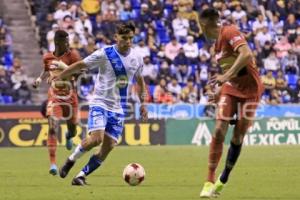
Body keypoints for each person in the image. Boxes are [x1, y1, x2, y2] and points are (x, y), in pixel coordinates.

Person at [52, 22, 148, 186]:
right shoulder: (105, 53)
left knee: (108, 146)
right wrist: (61, 75)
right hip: (100, 103)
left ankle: (80, 176)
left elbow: (140, 81)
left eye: (131, 38)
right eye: (124, 38)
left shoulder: (137, 58)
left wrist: (143, 103)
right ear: (116, 37)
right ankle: (71, 160)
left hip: (119, 108)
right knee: (96, 139)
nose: (128, 41)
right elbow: (81, 64)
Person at [198, 8, 264, 198]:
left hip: (251, 90)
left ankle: (223, 178)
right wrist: (221, 89)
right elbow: (230, 71)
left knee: (237, 137)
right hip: (231, 88)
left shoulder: (230, 32)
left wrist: (226, 75)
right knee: (219, 129)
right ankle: (208, 181)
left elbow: (246, 55)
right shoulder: (215, 47)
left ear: (204, 24)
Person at [32, 30, 81, 175]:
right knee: (52, 126)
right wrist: (40, 79)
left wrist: (64, 68)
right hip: (54, 97)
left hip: (70, 97)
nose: (68, 44)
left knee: (73, 129)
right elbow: (46, 69)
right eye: (66, 42)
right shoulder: (47, 57)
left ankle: (68, 136)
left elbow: (80, 72)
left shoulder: (73, 55)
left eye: (68, 41)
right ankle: (53, 163)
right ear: (57, 42)